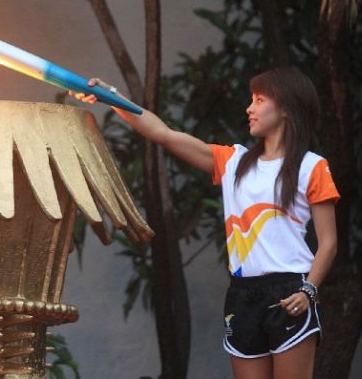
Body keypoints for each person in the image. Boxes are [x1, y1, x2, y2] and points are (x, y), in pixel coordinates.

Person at [71, 67, 339, 379]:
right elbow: (162, 133)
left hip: (290, 291)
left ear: (287, 109)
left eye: (259, 100)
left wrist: (308, 290)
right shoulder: (234, 161)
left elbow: (329, 242)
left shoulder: (312, 166)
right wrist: (110, 97)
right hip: (242, 294)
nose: (249, 108)